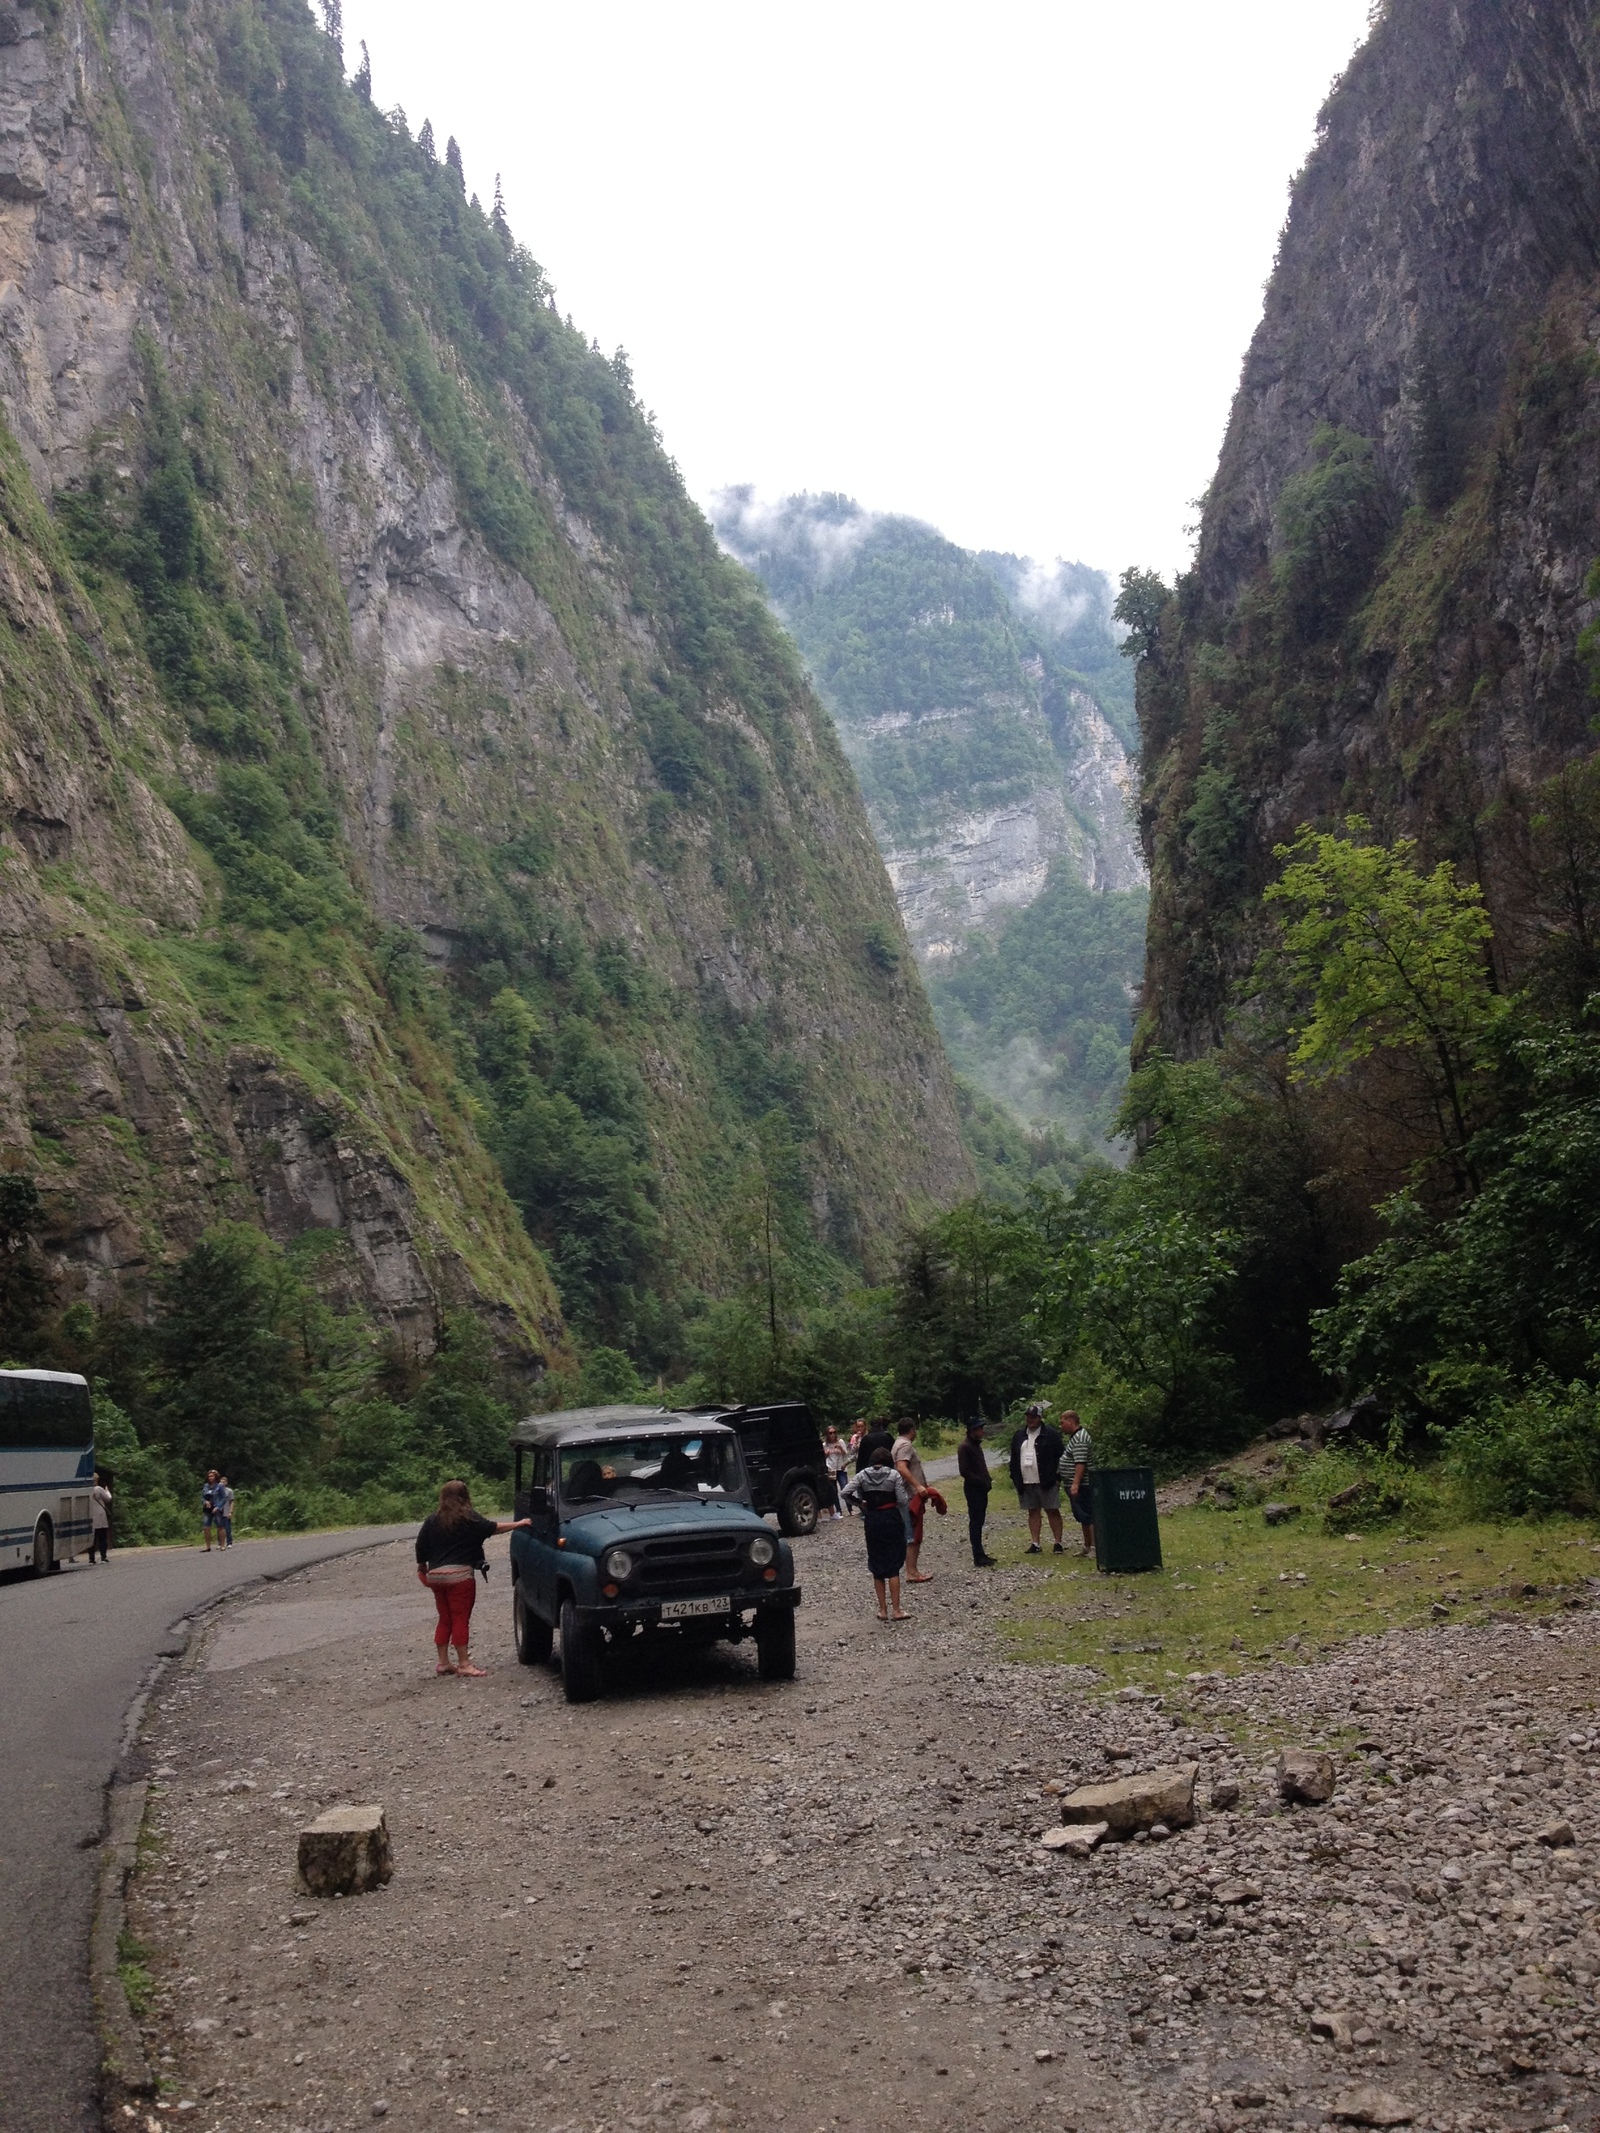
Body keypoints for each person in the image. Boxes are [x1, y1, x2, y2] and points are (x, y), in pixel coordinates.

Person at [415, 1480, 533, 1677]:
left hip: (436, 1577)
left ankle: (443, 1662)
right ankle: (464, 1663)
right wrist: (520, 1524)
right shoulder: (468, 1518)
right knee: (460, 1618)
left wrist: (422, 1567)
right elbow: (493, 1527)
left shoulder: (432, 1520)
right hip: (459, 1577)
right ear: (465, 1496)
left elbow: (420, 1546)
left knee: (445, 1619)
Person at [840, 1448, 911, 1621]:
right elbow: (902, 1500)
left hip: (872, 1519)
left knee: (877, 1563)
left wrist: (860, 1503)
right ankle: (896, 1610)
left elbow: (844, 1493)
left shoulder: (863, 1475)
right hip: (891, 1518)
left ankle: (882, 1610)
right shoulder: (894, 1475)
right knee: (893, 1564)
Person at [1008, 1402, 1067, 1554]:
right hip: (1026, 1481)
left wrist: (1058, 1477)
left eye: (1033, 1417)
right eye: (1028, 1417)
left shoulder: (1051, 1434)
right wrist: (1015, 1478)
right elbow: (1013, 1459)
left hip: (1047, 1480)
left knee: (1052, 1510)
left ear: (1040, 1418)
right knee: (1032, 1511)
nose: (1030, 1420)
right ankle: (1035, 1543)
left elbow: (1062, 1456)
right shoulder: (1019, 1435)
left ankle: (1058, 1542)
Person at [891, 1417, 933, 1582]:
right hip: (909, 1495)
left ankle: (913, 1569)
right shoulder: (905, 1445)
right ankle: (911, 1571)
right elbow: (902, 1467)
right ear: (912, 1430)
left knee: (913, 1531)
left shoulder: (896, 1443)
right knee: (913, 1533)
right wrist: (918, 1486)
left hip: (907, 1494)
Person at [957, 1418, 996, 1566]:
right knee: (976, 1522)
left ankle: (981, 1553)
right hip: (973, 1489)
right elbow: (964, 1471)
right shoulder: (965, 1447)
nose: (982, 1431)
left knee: (979, 1521)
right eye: (979, 1429)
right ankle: (977, 1555)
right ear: (972, 1431)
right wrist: (981, 1481)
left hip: (981, 1488)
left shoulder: (975, 1445)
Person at [1063, 1409, 1095, 1557]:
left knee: (1088, 1515)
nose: (1061, 1426)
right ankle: (1087, 1546)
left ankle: (1094, 1547)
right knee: (1082, 1516)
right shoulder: (1074, 1437)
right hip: (1075, 1484)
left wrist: (1076, 1483)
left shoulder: (1080, 1438)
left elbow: (1080, 1463)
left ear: (1070, 1422)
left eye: (1062, 1422)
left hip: (1083, 1484)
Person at [822, 1426, 849, 1519]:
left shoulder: (840, 1442)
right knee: (833, 1491)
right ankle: (838, 1510)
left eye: (834, 1432)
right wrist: (826, 1455)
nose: (832, 1434)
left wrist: (840, 1448)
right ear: (827, 1434)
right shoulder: (825, 1445)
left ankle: (850, 1508)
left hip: (840, 1468)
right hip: (831, 1469)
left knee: (845, 1488)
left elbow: (846, 1453)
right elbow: (822, 1458)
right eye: (830, 1433)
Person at [89, 1471, 112, 1563]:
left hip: (90, 1515)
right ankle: (103, 1557)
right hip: (100, 1515)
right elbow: (108, 1498)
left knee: (92, 1539)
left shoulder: (87, 1490)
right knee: (102, 1537)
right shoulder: (98, 1489)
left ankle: (91, 1559)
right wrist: (107, 1490)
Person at [200, 1469, 221, 1552]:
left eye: (212, 1476)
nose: (210, 1478)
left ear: (215, 1477)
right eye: (209, 1476)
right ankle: (208, 1546)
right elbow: (202, 1497)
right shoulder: (206, 1486)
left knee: (220, 1526)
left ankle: (221, 1544)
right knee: (206, 1528)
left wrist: (219, 1506)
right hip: (207, 1508)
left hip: (216, 1507)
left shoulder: (219, 1486)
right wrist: (205, 1502)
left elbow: (223, 1497)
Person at [217, 1475, 236, 1547]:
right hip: (219, 1511)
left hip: (226, 1511)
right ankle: (220, 1543)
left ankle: (229, 1542)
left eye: (223, 1482)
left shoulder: (229, 1491)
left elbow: (232, 1502)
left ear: (226, 1483)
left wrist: (230, 1512)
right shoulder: (217, 1491)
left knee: (227, 1528)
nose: (222, 1483)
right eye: (221, 1482)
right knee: (219, 1528)